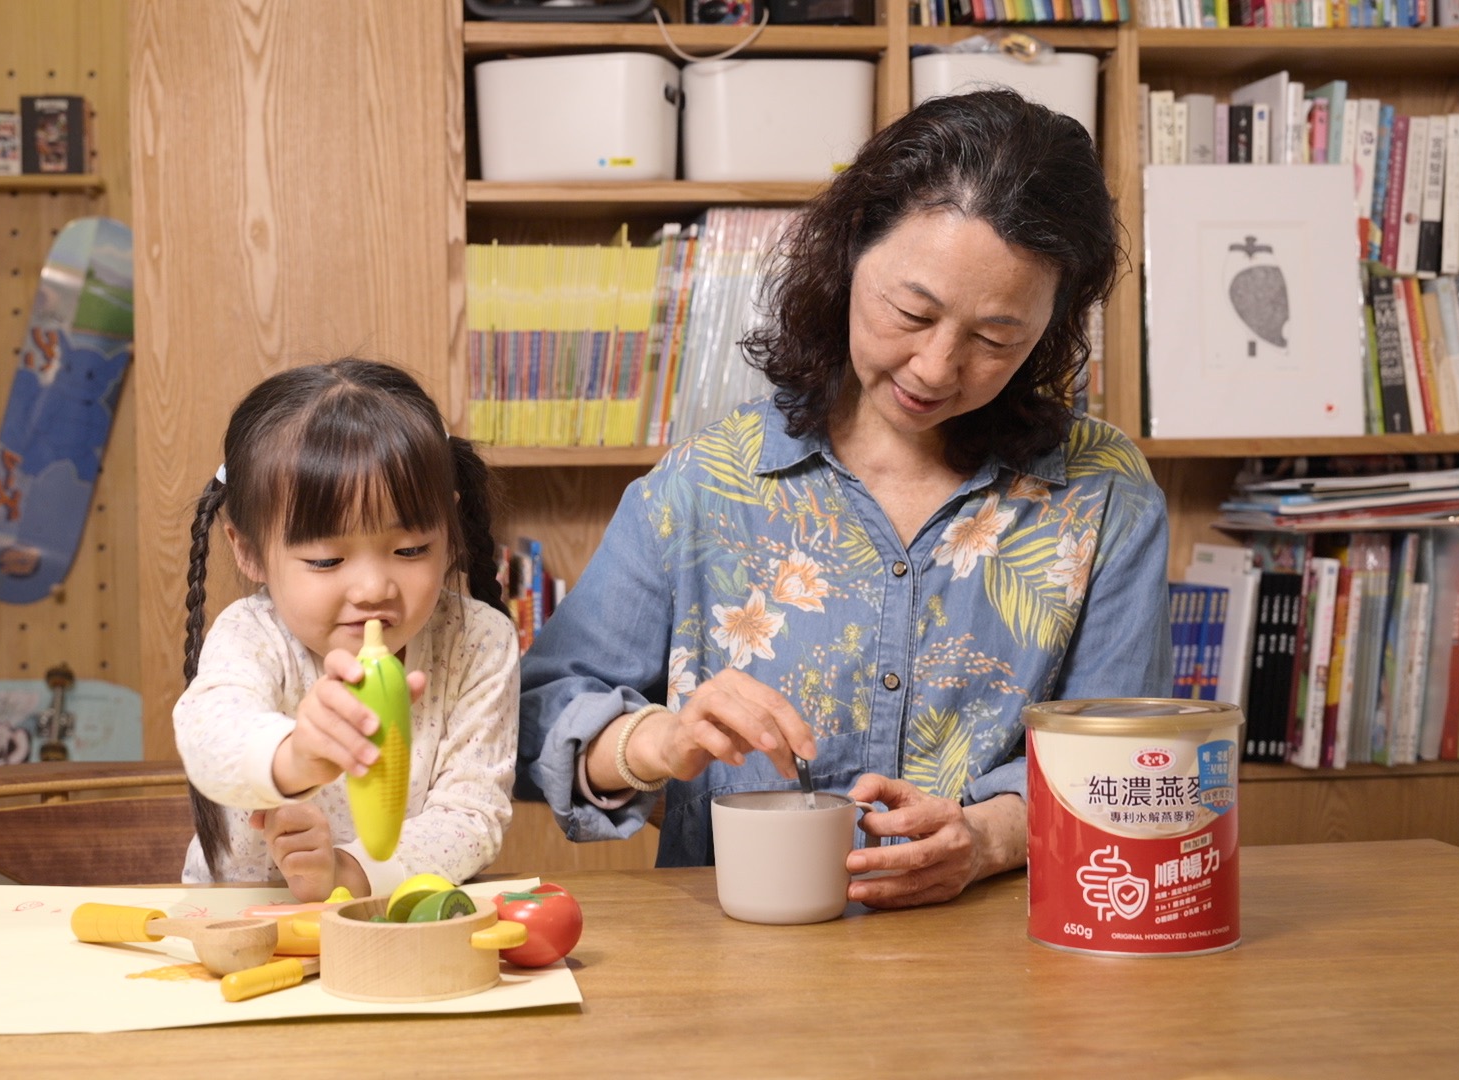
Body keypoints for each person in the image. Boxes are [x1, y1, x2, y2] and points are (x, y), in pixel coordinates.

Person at [518, 89, 1171, 909]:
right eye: (911, 311)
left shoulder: (1104, 496)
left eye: (995, 338)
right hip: (740, 967)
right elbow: (531, 724)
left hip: (1003, 968)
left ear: (1055, 327)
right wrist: (656, 740)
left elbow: (1125, 759)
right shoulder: (706, 483)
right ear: (851, 251)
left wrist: (990, 837)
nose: (936, 367)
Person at [176, 359, 519, 902]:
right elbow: (208, 736)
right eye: (327, 560)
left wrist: (347, 872)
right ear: (247, 549)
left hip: (395, 920)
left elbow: (470, 816)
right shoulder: (252, 634)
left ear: (450, 531)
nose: (372, 588)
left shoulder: (477, 641)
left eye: (410, 550)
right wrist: (294, 757)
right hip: (244, 920)